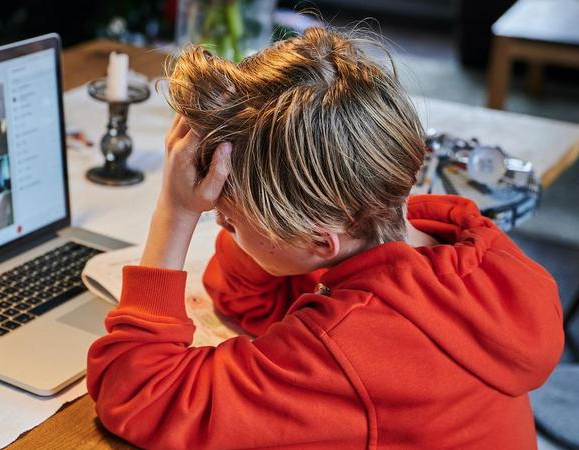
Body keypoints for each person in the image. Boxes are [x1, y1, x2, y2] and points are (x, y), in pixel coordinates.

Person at [85, 27, 564, 449]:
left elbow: (137, 393)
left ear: (320, 243)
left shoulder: (349, 349)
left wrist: (176, 212)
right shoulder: (458, 243)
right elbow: (245, 299)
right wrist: (261, 195)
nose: (223, 228)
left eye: (228, 221)